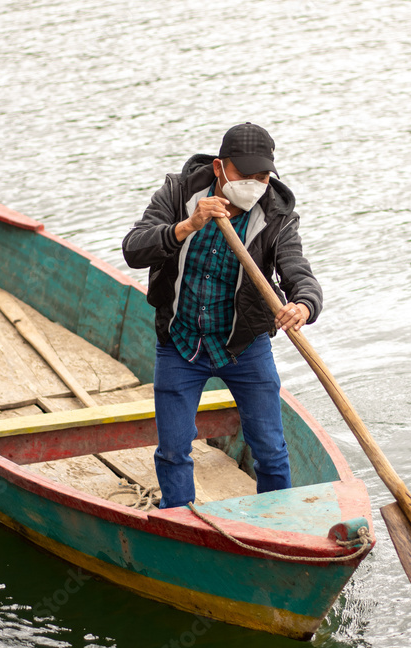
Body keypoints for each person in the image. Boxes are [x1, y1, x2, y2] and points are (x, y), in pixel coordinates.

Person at [122, 122, 323, 509]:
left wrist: (303, 305)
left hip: (244, 347)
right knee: (173, 450)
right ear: (219, 169)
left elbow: (298, 270)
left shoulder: (276, 214)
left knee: (270, 449)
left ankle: (278, 522)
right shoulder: (179, 193)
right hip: (181, 344)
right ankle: (180, 522)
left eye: (262, 176)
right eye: (243, 175)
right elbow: (133, 248)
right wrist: (187, 226)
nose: (253, 183)